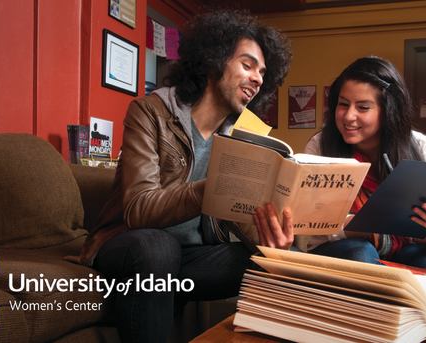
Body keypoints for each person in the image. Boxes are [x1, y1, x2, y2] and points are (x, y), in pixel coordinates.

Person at [77, 10, 291, 342]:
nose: (258, 78)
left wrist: (271, 234)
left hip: (190, 258)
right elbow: (138, 209)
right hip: (129, 245)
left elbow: (240, 221)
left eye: (263, 72)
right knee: (157, 248)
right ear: (214, 60)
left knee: (267, 263)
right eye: (248, 65)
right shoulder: (150, 112)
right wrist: (214, 188)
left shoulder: (242, 136)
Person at [254, 56, 426, 269]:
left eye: (363, 107)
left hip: (405, 247)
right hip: (342, 247)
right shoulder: (320, 145)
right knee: (361, 251)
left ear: (388, 111)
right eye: (343, 104)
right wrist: (357, 228)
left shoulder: (419, 145)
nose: (349, 116)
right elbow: (310, 231)